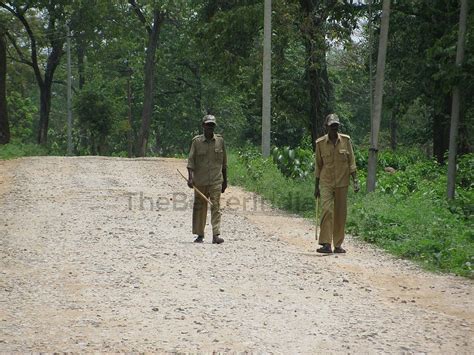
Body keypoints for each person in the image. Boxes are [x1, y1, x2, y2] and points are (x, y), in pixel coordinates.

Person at [314, 113, 360, 253]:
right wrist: (316, 186)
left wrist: (355, 181)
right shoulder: (320, 143)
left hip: (342, 182)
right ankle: (326, 244)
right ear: (326, 127)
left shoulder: (346, 141)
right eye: (332, 126)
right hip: (326, 182)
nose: (334, 129)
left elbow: (351, 162)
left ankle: (338, 244)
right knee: (327, 210)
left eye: (336, 126)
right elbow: (318, 165)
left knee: (340, 213)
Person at [187, 114, 227, 244]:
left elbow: (224, 163)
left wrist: (225, 181)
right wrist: (190, 178)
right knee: (199, 207)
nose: (210, 127)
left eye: (212, 125)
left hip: (216, 180)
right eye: (208, 125)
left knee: (216, 207)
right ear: (203, 126)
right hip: (200, 181)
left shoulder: (220, 141)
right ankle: (200, 234)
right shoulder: (197, 142)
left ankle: (216, 234)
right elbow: (191, 162)